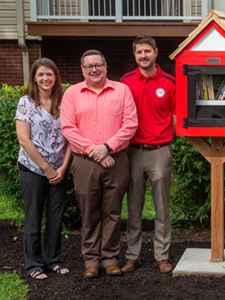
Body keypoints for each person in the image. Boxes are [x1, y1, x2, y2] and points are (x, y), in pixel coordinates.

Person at [61, 49, 138, 278]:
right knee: (90, 213)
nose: (94, 69)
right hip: (85, 163)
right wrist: (96, 153)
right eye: (89, 66)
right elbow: (68, 128)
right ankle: (91, 261)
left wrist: (106, 148)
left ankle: (110, 259)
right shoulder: (72, 94)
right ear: (82, 70)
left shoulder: (122, 90)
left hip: (117, 160)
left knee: (112, 212)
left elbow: (130, 124)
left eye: (98, 65)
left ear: (106, 67)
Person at [120, 35, 176, 273]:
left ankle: (161, 255)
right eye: (139, 52)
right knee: (134, 207)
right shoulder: (125, 82)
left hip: (159, 151)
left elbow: (174, 118)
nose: (143, 56)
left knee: (162, 207)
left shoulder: (170, 82)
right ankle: (133, 255)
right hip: (132, 152)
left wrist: (164, 140)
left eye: (147, 51)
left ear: (155, 52)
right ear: (135, 55)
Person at [15, 58, 72, 279]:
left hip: (59, 170)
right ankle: (33, 265)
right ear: (34, 78)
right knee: (33, 217)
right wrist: (46, 168)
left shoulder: (64, 101)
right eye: (40, 74)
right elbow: (24, 139)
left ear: (55, 76)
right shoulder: (26, 102)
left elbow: (70, 137)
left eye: (49, 74)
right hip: (33, 169)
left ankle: (53, 260)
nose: (45, 78)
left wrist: (63, 167)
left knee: (56, 217)